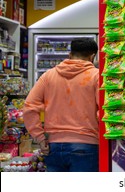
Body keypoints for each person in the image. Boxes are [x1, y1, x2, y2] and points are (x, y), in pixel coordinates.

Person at [23, 38, 99, 172]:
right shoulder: (96, 76)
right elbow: (104, 111)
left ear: (70, 55)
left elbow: (29, 107)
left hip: (54, 147)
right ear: (92, 56)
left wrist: (40, 138)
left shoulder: (48, 76)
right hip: (87, 145)